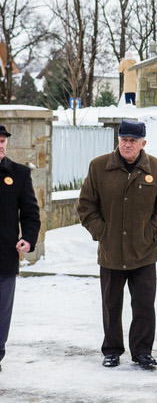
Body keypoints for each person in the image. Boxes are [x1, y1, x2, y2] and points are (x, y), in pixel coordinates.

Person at [77, 120, 157, 369]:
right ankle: (111, 350)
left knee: (143, 305)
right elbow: (86, 205)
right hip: (111, 252)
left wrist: (151, 231)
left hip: (143, 252)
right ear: (118, 140)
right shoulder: (99, 167)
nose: (127, 144)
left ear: (143, 143)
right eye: (124, 140)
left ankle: (142, 351)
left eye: (133, 140)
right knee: (111, 304)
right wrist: (102, 232)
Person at [0, 124, 41, 372]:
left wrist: (28, 238)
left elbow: (30, 214)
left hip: (4, 256)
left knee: (2, 311)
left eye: (3, 141)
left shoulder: (19, 174)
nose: (1, 146)